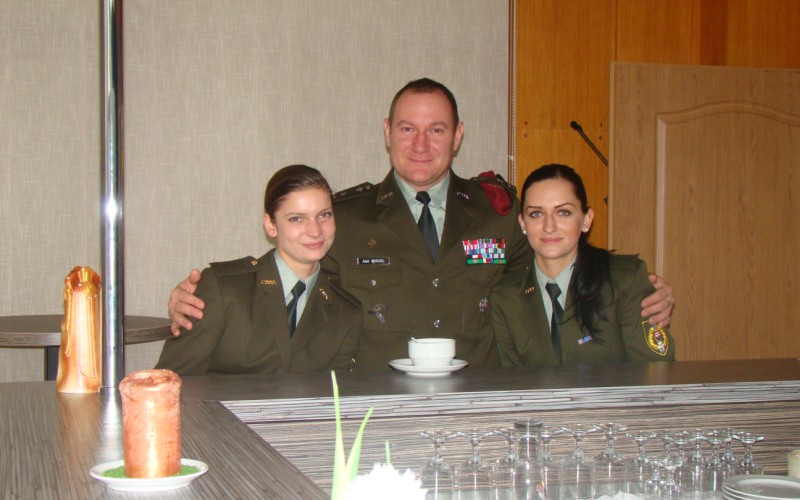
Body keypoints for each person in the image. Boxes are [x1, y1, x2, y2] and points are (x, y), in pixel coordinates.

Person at [166, 78, 675, 371]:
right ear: (388, 132)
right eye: (408, 128)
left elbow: (554, 266)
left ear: (458, 136)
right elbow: (288, 276)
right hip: (376, 407)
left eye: (437, 130)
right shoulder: (344, 217)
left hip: (477, 406)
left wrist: (638, 292)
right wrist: (201, 299)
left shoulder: (500, 213)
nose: (421, 145)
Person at [155, 165, 361, 375]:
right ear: (270, 225)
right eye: (296, 218)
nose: (315, 231)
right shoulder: (225, 289)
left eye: (324, 215)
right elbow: (169, 381)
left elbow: (334, 392)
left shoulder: (346, 312)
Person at [491, 164, 675, 366]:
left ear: (586, 220)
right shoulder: (506, 298)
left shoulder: (625, 282)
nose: (549, 227)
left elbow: (656, 373)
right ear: (523, 223)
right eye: (536, 214)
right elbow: (512, 380)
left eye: (563, 212)